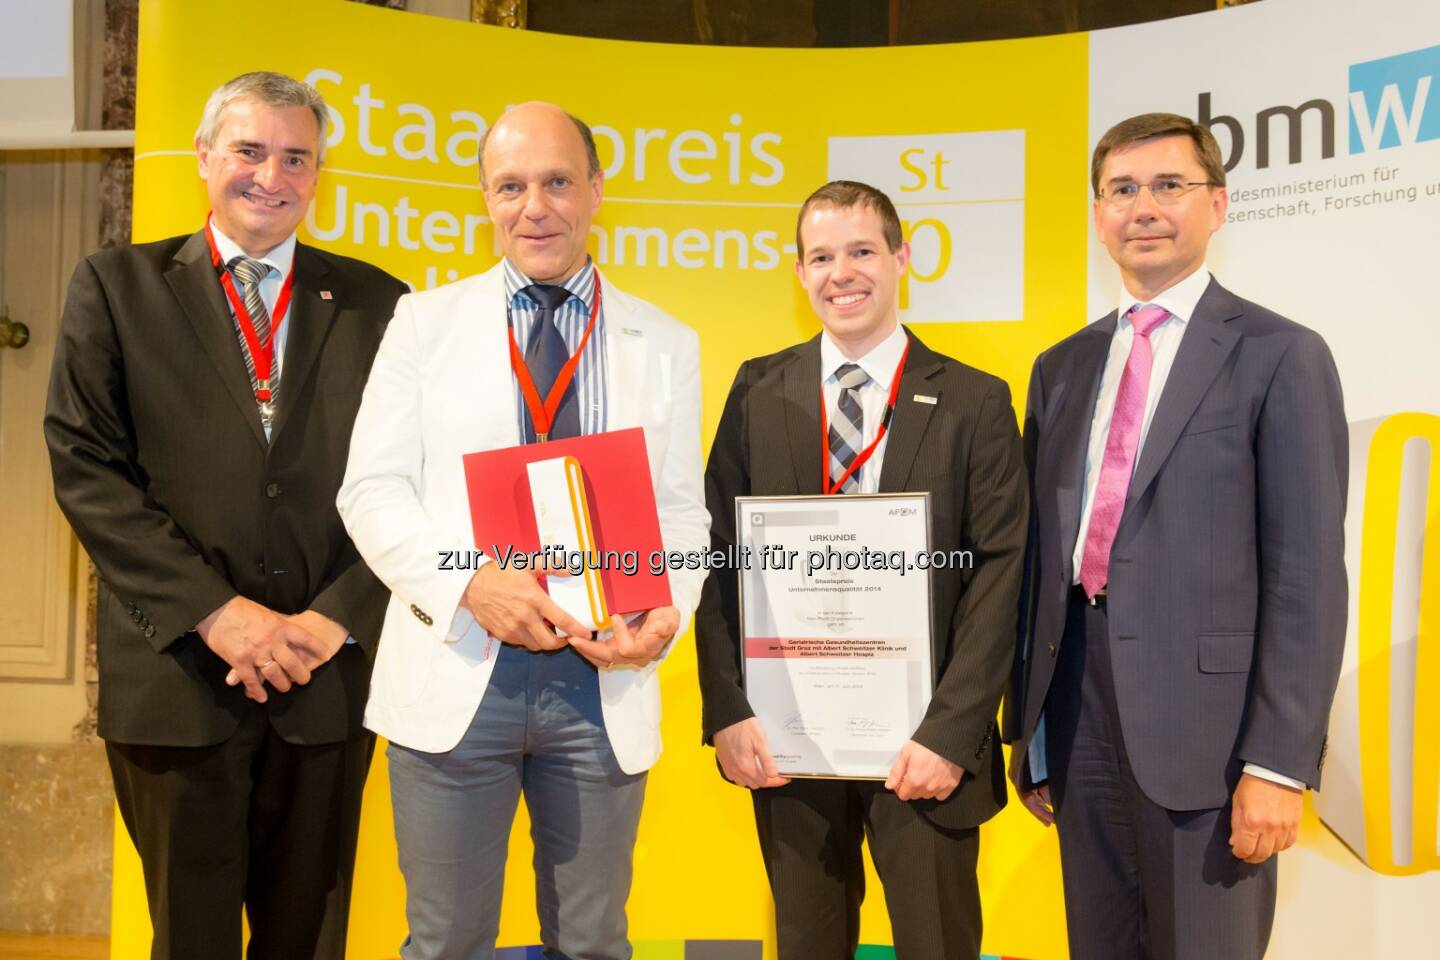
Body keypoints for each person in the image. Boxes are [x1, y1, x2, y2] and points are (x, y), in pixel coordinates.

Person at [44, 71, 406, 959]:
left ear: (319, 174)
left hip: (325, 676)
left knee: (310, 938)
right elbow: (87, 467)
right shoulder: (116, 285)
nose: (270, 176)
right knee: (189, 939)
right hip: (176, 680)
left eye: (297, 158)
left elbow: (417, 485)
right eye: (249, 151)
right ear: (205, 157)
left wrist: (333, 618)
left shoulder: (383, 304)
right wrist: (218, 613)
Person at [336, 101, 709, 960]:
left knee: (591, 942)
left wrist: (666, 608)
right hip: (460, 670)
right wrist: (467, 582)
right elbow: (371, 489)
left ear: (596, 192)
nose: (533, 206)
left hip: (600, 678)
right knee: (446, 942)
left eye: (555, 182)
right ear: (484, 198)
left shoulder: (667, 341)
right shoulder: (423, 325)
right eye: (510, 186)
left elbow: (681, 510)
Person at [1007, 113, 1348, 960]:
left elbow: (1307, 576)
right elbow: (1041, 560)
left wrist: (1276, 762)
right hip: (1077, 711)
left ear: (1219, 205)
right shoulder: (1061, 367)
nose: (1144, 208)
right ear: (1097, 215)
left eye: (1169, 186)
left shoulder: (1281, 354)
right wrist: (1034, 730)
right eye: (1122, 190)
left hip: (1213, 738)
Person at [695, 180, 1028, 959]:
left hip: (925, 752)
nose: (840, 273)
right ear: (800, 271)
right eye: (820, 256)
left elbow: (1000, 571)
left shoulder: (975, 400)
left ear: (903, 258)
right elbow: (712, 557)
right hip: (789, 745)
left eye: (861, 251)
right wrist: (728, 712)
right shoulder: (754, 389)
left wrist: (951, 733)